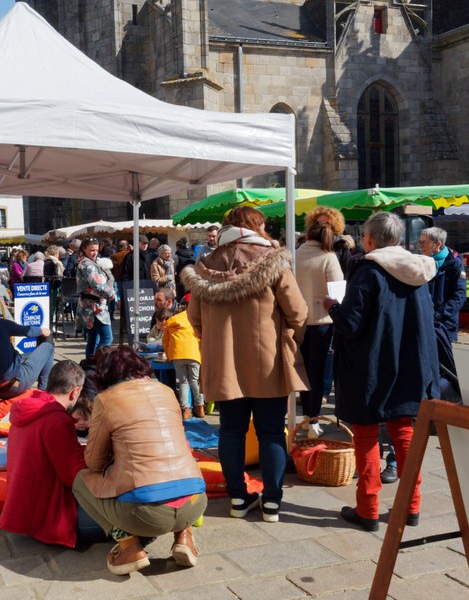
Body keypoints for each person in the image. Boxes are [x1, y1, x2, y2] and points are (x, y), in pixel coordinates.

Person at [182, 205, 308, 523]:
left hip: (224, 363)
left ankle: (238, 498)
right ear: (257, 226)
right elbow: (298, 311)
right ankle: (273, 503)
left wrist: (215, 341)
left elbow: (194, 319)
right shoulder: (273, 260)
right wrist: (289, 337)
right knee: (270, 433)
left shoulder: (206, 263)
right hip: (267, 361)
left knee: (231, 431)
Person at [322, 211, 439, 532]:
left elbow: (351, 323)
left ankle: (368, 508)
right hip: (410, 363)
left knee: (366, 433)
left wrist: (331, 306)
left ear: (370, 239)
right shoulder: (419, 270)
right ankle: (410, 507)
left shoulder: (368, 271)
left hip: (372, 364)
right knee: (403, 431)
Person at [72, 346, 207, 576]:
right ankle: (184, 536)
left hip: (145, 514)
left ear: (105, 375)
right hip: (196, 503)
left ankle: (129, 546)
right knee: (172, 473)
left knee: (80, 481)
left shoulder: (106, 400)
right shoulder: (167, 392)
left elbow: (94, 462)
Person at [0, 360, 106, 547]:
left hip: (24, 511)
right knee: (134, 516)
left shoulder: (26, 409)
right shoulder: (56, 420)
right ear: (75, 391)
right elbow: (74, 477)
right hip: (50, 518)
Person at [295, 219, 344, 440]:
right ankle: (312, 420)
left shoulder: (294, 254)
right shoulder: (328, 257)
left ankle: (307, 417)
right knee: (317, 373)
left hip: (298, 320)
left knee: (303, 371)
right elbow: (338, 289)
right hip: (323, 321)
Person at [418, 227, 467, 342]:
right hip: (423, 322)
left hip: (443, 325)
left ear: (438, 244)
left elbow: (459, 296)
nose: (420, 246)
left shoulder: (454, 264)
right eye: (419, 242)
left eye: (424, 242)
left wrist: (437, 316)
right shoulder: (421, 262)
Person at [162, 301, 205, 419]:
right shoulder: (194, 320)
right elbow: (201, 337)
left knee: (183, 382)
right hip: (194, 354)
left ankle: (185, 410)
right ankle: (200, 407)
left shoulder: (172, 321)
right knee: (195, 381)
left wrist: (169, 356)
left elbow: (165, 341)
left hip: (177, 354)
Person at [76, 237, 116, 359]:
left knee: (93, 338)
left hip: (90, 305)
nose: (94, 253)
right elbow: (97, 284)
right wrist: (111, 293)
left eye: (96, 250)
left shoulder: (90, 262)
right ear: (84, 249)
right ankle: (97, 362)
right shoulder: (87, 264)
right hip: (94, 306)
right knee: (107, 338)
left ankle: (89, 366)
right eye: (91, 250)